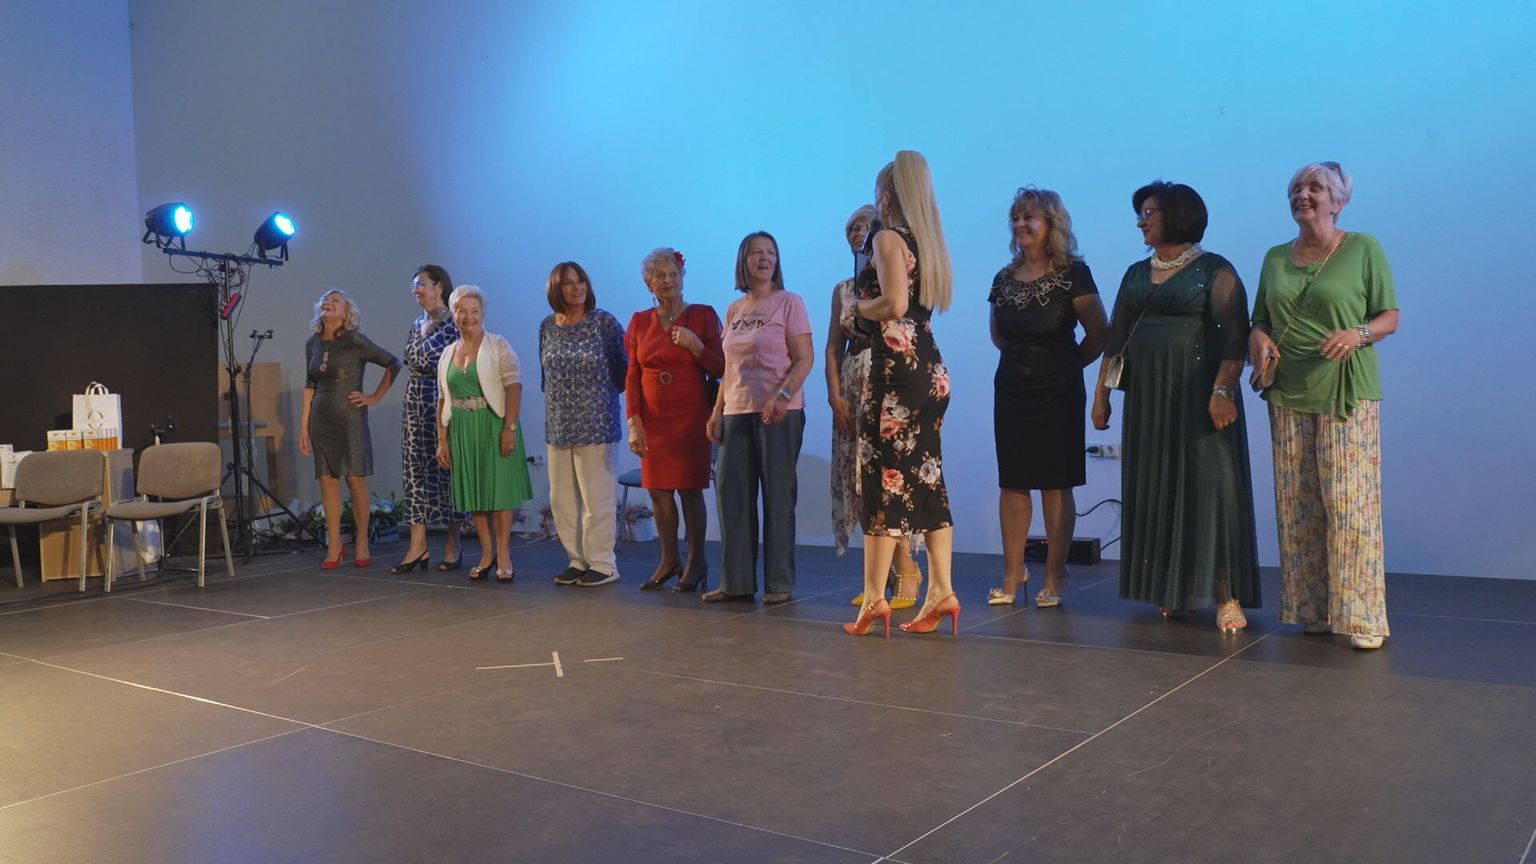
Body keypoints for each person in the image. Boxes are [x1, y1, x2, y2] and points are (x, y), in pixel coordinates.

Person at [1091, 181, 1260, 632]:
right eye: (1141, 213)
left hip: (1198, 396)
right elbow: (1116, 339)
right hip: (1148, 398)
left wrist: (1222, 392)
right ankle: (1172, 589)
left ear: (1178, 216)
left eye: (1149, 213)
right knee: (1156, 487)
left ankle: (1225, 593)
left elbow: (1233, 340)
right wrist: (1101, 395)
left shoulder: (1216, 270)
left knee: (1209, 490)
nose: (1141, 222)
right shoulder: (1134, 274)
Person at [1250, 161, 1399, 650]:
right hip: (1288, 392)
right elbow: (1259, 320)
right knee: (1298, 506)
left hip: (1345, 392)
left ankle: (1362, 617)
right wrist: (1259, 340)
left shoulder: (1363, 248)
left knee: (1350, 506)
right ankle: (1311, 608)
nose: (1303, 194)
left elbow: (1390, 316)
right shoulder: (1275, 257)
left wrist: (1357, 334)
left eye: (1315, 187)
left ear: (1339, 201)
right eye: (1297, 187)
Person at [843, 150, 959, 636]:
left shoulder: (887, 237)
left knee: (881, 478)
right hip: (930, 369)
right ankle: (942, 589)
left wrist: (856, 308)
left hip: (895, 372)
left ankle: (874, 599)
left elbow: (894, 303)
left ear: (887, 196)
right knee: (928, 477)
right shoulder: (928, 242)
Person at [987, 187, 1108, 608]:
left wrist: (1066, 366)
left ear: (1052, 225)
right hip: (1012, 388)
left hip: (1059, 390)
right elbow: (998, 334)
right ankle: (1013, 573)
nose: (1020, 224)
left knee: (1056, 483)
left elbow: (1099, 333)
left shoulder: (1074, 273)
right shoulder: (1003, 278)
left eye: (1030, 217)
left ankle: (1055, 574)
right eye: (1016, 217)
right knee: (1013, 481)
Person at [704, 231, 814, 605]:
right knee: (732, 497)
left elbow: (805, 358)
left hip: (778, 412)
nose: (764, 258)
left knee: (778, 497)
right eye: (756, 252)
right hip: (736, 410)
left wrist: (782, 396)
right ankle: (736, 583)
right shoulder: (735, 309)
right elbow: (729, 368)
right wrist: (716, 411)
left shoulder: (789, 302)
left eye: (770, 252)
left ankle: (779, 583)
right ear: (744, 261)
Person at [826, 205, 923, 610]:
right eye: (853, 227)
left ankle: (908, 571)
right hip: (853, 382)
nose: (858, 233)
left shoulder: (897, 280)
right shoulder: (843, 289)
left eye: (866, 227)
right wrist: (834, 395)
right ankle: (877, 580)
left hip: (888, 378)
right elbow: (833, 347)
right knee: (861, 479)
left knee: (890, 476)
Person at [625, 248, 723, 592]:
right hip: (654, 420)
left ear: (682, 278)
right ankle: (669, 560)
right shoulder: (640, 321)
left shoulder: (703, 315)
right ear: (648, 283)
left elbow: (720, 367)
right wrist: (634, 421)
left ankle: (696, 562)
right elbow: (632, 376)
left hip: (692, 416)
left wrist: (696, 347)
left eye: (673, 274)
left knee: (690, 490)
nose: (668, 280)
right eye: (660, 276)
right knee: (658, 491)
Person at [435, 285, 533, 582]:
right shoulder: (448, 353)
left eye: (474, 311)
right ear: (453, 314)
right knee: (475, 492)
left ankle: (503, 552)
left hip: (494, 424)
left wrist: (509, 428)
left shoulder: (498, 345)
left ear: (483, 313)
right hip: (463, 428)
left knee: (499, 492)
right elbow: (443, 398)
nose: (469, 317)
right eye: (462, 311)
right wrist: (442, 439)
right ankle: (487, 552)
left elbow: (513, 387)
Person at [540, 261, 627, 587]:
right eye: (568, 283)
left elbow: (623, 371)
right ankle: (577, 560)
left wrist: (594, 400)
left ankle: (603, 563)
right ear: (556, 289)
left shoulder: (604, 323)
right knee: (562, 500)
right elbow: (546, 376)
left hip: (597, 423)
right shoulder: (547, 326)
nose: (577, 288)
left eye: (581, 281)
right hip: (558, 425)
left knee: (597, 499)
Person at [300, 289, 401, 568]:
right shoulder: (312, 343)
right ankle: (334, 545)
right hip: (321, 418)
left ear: (347, 312)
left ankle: (362, 541)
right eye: (325, 300)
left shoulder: (355, 339)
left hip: (350, 418)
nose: (329, 303)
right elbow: (309, 386)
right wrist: (303, 427)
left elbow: (393, 363)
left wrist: (374, 397)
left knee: (355, 479)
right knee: (327, 480)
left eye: (336, 301)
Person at [392, 265, 463, 573]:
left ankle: (453, 542)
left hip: (443, 398)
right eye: (414, 285)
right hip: (415, 401)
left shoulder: (454, 322)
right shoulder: (415, 324)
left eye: (421, 284)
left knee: (447, 470)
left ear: (439, 286)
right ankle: (417, 546)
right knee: (415, 470)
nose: (416, 290)